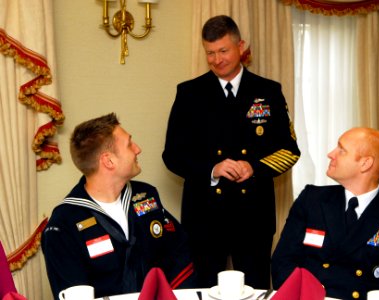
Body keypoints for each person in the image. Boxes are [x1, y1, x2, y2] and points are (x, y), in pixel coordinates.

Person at [162, 15, 300, 289]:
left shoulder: (268, 91)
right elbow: (173, 154)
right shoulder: (189, 93)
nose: (216, 59)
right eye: (210, 53)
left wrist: (254, 168)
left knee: (255, 289)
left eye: (223, 50)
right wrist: (212, 169)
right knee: (203, 290)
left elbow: (289, 150)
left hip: (253, 217)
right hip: (204, 216)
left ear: (241, 46)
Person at [42, 113, 195, 299]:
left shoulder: (146, 196)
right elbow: (73, 293)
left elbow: (179, 250)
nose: (138, 149)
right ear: (108, 161)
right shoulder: (63, 226)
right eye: (129, 144)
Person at [271, 127, 379, 299]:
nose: (331, 154)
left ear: (365, 163)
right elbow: (282, 263)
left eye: (341, 150)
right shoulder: (311, 201)